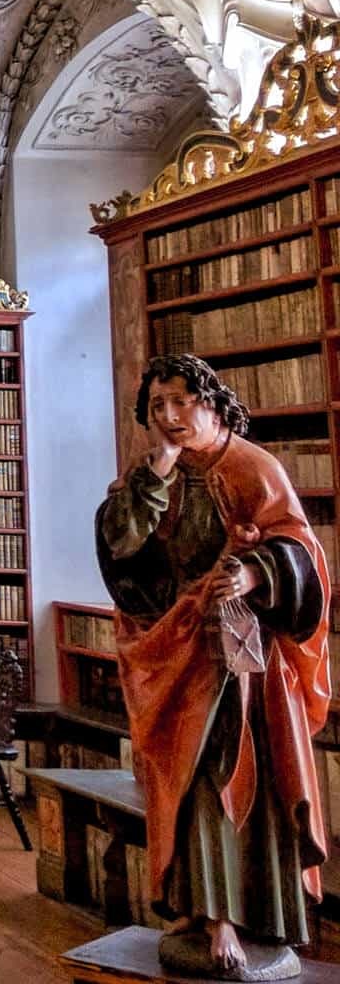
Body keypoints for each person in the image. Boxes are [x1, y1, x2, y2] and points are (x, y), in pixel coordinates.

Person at [97, 354, 331, 977]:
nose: (169, 417)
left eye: (180, 402)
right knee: (177, 779)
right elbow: (122, 547)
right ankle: (192, 906)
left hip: (241, 667)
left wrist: (257, 571)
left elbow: (303, 553)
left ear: (212, 403)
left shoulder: (254, 467)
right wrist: (156, 476)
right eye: (156, 408)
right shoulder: (153, 473)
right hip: (174, 653)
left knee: (224, 781)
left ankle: (234, 917)